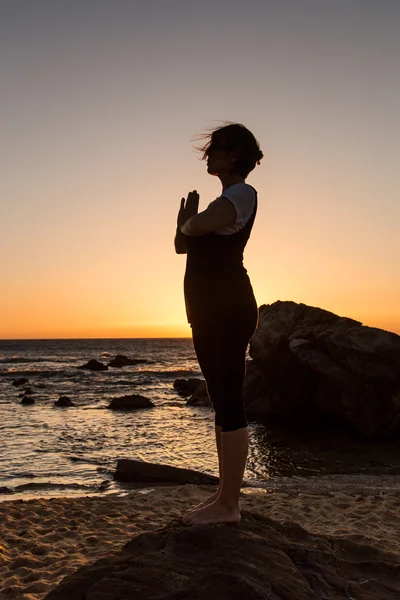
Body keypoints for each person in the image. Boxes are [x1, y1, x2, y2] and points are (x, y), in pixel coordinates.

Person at [174, 121, 263, 525]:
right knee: (219, 401)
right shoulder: (221, 202)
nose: (208, 155)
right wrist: (188, 223)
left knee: (230, 400)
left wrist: (192, 223)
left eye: (217, 148)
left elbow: (194, 230)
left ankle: (230, 506)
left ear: (235, 156)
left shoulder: (241, 194)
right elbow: (182, 243)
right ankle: (222, 497)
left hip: (228, 307)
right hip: (207, 310)